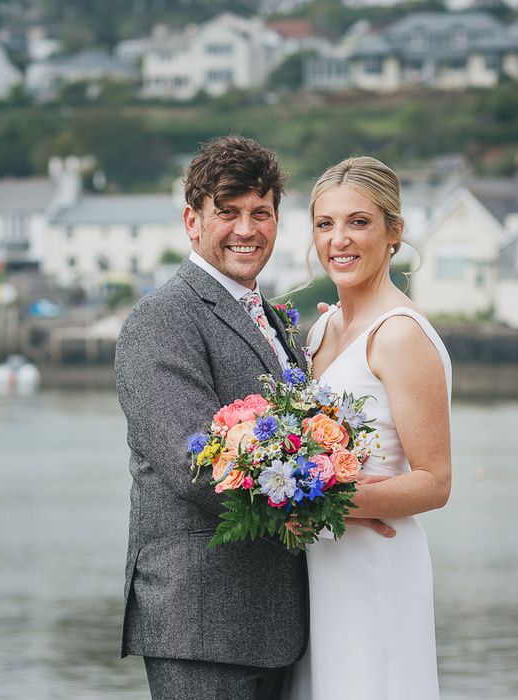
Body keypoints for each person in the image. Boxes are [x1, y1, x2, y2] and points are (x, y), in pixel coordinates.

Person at [114, 136, 309, 700]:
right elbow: (192, 460)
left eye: (260, 213)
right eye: (227, 212)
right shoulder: (161, 318)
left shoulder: (272, 318)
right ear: (192, 220)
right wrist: (312, 505)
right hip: (199, 618)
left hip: (276, 616)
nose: (246, 229)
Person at [287, 156, 452, 700]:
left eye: (358, 222)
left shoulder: (400, 335)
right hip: (320, 565)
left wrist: (320, 504)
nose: (339, 240)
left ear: (393, 233)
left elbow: (435, 481)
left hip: (375, 564)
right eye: (325, 224)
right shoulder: (324, 326)